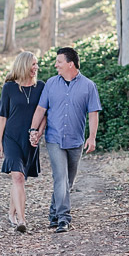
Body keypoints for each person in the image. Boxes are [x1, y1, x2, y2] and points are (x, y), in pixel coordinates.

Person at [29, 46, 101, 233]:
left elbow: (93, 114)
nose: (56, 65)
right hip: (54, 138)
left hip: (75, 140)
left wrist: (91, 138)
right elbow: (40, 110)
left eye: (59, 62)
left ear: (70, 64)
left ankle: (53, 213)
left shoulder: (88, 86)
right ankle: (63, 218)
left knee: (68, 181)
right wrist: (33, 130)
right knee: (60, 178)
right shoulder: (51, 84)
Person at [0, 51, 46, 233]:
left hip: (30, 140)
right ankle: (22, 220)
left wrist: (39, 133)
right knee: (17, 177)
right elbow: (3, 116)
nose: (36, 68)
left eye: (36, 64)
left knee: (20, 178)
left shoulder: (41, 87)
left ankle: (11, 213)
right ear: (23, 65)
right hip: (11, 138)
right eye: (33, 64)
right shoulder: (9, 88)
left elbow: (44, 114)